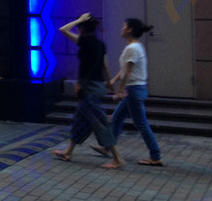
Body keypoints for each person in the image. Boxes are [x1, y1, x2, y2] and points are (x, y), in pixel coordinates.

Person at [53, 13, 125, 169]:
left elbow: (62, 30)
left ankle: (118, 158)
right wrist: (109, 83)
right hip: (98, 86)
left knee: (100, 123)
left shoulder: (84, 42)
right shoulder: (100, 44)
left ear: (82, 29)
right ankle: (68, 152)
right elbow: (105, 66)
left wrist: (79, 19)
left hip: (88, 88)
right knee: (81, 120)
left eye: (79, 27)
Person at [100, 18, 163, 166]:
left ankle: (155, 156)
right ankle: (107, 147)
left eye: (124, 26)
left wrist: (120, 90)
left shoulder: (132, 48)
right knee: (117, 118)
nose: (121, 29)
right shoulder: (135, 46)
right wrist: (113, 82)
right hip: (134, 89)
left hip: (134, 90)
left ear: (129, 30)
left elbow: (128, 71)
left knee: (141, 124)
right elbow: (125, 70)